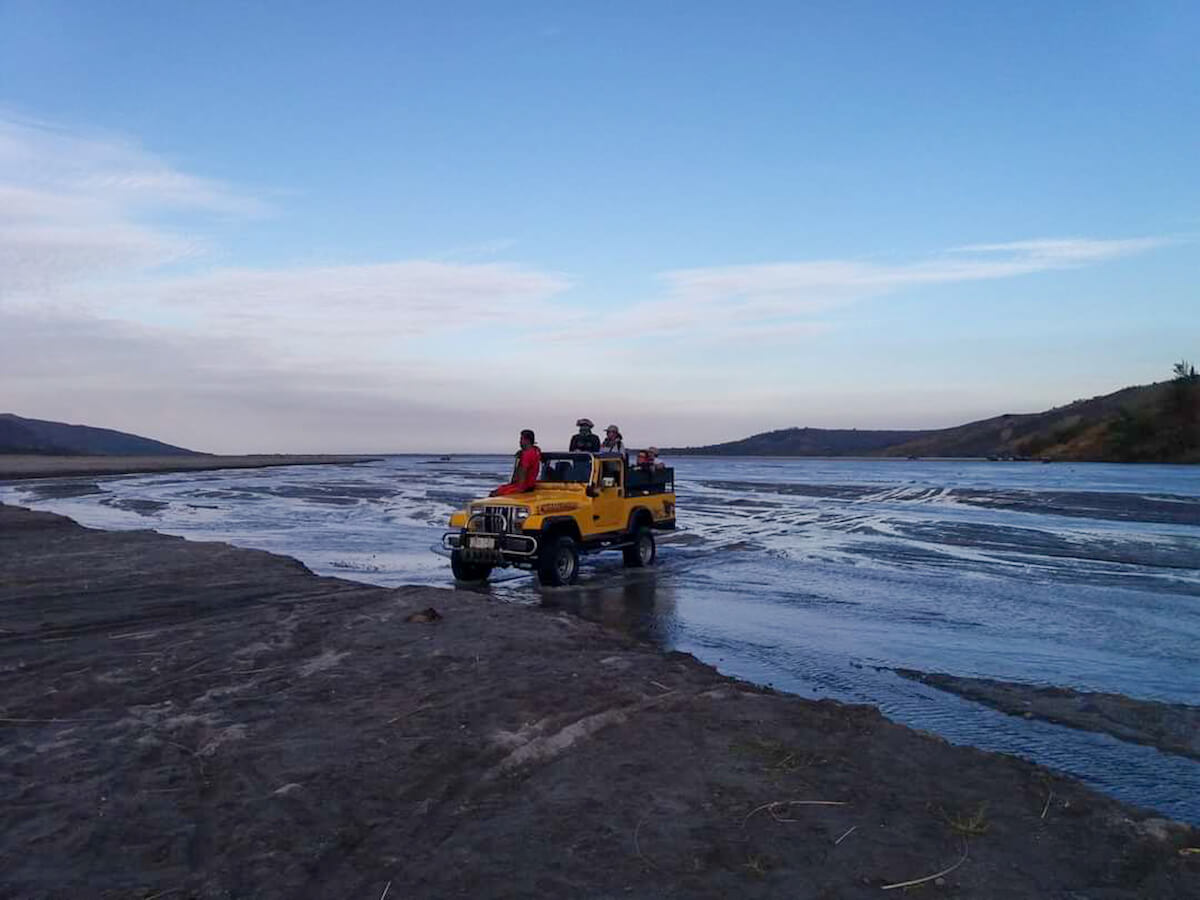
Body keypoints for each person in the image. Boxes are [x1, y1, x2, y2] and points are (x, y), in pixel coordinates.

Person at [492, 429, 542, 496]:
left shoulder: (527, 454)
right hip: (530, 485)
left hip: (523, 486)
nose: (520, 442)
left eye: (521, 439)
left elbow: (523, 471)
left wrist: (520, 489)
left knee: (495, 493)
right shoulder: (536, 451)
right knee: (501, 488)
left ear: (527, 440)